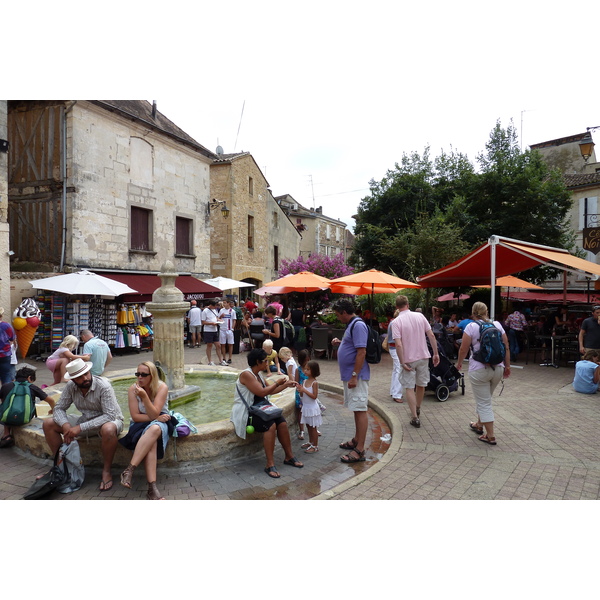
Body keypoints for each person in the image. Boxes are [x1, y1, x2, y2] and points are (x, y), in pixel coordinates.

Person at [42, 358, 124, 491]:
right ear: (73, 379)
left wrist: (79, 428)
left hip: (112, 420)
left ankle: (107, 471)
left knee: (108, 429)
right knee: (48, 424)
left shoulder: (103, 386)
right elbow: (59, 408)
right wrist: (65, 425)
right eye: (79, 377)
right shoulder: (71, 387)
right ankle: (59, 467)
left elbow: (109, 415)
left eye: (86, 373)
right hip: (85, 420)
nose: (85, 378)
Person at [231, 348, 303, 478]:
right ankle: (269, 464)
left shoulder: (258, 374)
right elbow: (262, 392)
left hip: (261, 407)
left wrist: (286, 384)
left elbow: (270, 390)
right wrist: (277, 382)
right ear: (258, 362)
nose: (267, 363)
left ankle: (289, 456)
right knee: (270, 425)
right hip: (248, 410)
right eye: (265, 361)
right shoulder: (246, 375)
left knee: (282, 423)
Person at [456, 301, 510, 446]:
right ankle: (479, 425)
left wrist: (459, 363)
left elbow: (463, 349)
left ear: (473, 313)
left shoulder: (471, 326)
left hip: (479, 370)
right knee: (485, 399)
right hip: (498, 368)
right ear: (486, 312)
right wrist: (507, 366)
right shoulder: (497, 325)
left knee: (484, 402)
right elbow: (506, 346)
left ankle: (490, 436)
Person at [119, 361, 171, 500]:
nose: (139, 377)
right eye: (138, 374)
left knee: (154, 428)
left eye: (143, 375)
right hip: (140, 424)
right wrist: (155, 417)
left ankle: (130, 469)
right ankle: (152, 489)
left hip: (162, 423)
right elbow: (135, 417)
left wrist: (144, 397)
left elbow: (155, 414)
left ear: (152, 376)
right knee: (151, 442)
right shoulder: (133, 389)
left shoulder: (162, 387)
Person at [391, 295, 439, 429]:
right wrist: (435, 353)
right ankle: (418, 407)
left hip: (409, 359)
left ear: (397, 307)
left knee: (409, 387)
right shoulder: (420, 316)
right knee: (421, 384)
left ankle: (414, 417)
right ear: (408, 304)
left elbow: (398, 344)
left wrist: (402, 362)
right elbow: (431, 335)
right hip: (423, 356)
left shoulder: (396, 322)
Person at [331, 299, 370, 463]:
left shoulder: (358, 325)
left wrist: (354, 375)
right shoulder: (352, 324)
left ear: (345, 312)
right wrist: (342, 344)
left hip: (357, 376)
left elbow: (362, 352)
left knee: (360, 409)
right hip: (351, 375)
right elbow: (354, 347)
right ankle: (356, 440)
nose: (338, 318)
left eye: (338, 315)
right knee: (356, 408)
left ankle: (360, 449)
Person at [0, 365, 54, 449]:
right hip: (24, 419)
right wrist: (53, 410)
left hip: (7, 417)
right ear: (29, 378)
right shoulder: (32, 387)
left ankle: (6, 434)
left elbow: (3, 402)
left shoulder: (6, 386)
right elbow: (51, 400)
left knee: (5, 408)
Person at [297, 360, 322, 454]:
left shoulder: (314, 383)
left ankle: (315, 445)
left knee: (313, 427)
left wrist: (304, 390)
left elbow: (314, 396)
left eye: (308, 369)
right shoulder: (304, 381)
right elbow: (302, 396)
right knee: (308, 426)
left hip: (312, 408)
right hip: (306, 407)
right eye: (305, 369)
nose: (305, 371)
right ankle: (311, 442)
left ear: (314, 371)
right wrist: (300, 390)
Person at [202, 298, 225, 366]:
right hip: (208, 330)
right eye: (215, 306)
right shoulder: (205, 311)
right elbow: (203, 322)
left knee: (218, 345)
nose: (216, 307)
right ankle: (210, 361)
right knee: (209, 345)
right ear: (211, 305)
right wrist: (211, 323)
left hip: (215, 329)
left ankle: (221, 360)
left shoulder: (215, 310)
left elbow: (216, 317)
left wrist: (219, 320)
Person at [387, 309, 403, 403]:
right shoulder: (395, 324)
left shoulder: (392, 322)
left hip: (393, 348)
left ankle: (393, 391)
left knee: (396, 369)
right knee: (399, 369)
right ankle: (397, 394)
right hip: (395, 348)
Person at [295, 349, 309, 440]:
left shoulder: (310, 369)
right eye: (305, 360)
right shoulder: (298, 370)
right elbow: (296, 382)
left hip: (308, 393)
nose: (307, 362)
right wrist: (300, 389)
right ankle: (301, 430)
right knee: (300, 412)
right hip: (300, 393)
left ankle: (313, 428)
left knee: (310, 411)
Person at [0, 308, 15, 386]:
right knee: (6, 376)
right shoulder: (6, 326)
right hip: (4, 355)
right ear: (1, 315)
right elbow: (12, 338)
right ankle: (6, 396)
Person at [218, 299, 237, 364]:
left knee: (230, 344)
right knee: (223, 344)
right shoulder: (221, 310)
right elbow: (218, 318)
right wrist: (221, 316)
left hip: (229, 330)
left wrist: (232, 328)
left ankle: (230, 358)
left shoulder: (232, 311)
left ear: (228, 303)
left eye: (225, 303)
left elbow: (234, 320)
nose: (224, 304)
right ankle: (224, 358)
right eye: (223, 303)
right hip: (222, 329)